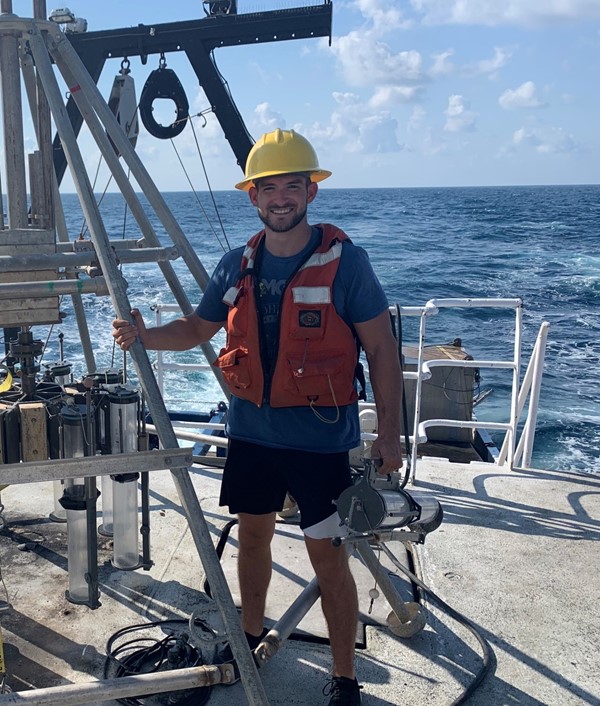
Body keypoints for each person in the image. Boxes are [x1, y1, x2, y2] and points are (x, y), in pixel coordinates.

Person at [113, 128, 403, 706]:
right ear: (252, 196)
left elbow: (382, 351)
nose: (279, 198)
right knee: (252, 539)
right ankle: (247, 636)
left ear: (309, 193)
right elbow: (197, 330)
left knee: (328, 558)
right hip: (252, 436)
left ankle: (344, 678)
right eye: (268, 188)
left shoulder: (347, 264)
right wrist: (144, 335)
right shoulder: (235, 264)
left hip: (321, 444)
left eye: (291, 186)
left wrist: (390, 435)